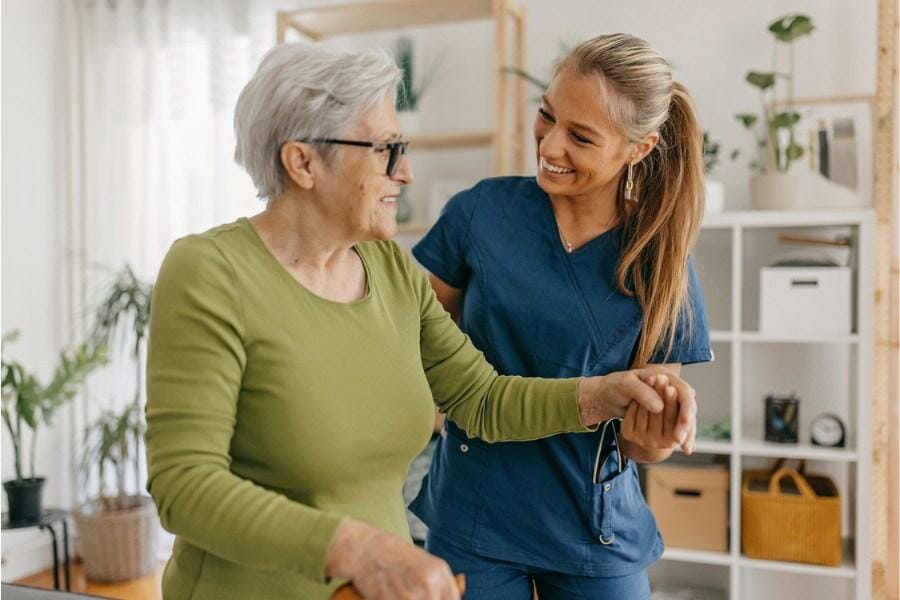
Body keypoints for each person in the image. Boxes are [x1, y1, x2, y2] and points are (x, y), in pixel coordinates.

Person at [144, 42, 697, 600]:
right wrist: (358, 549)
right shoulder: (209, 273)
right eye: (386, 149)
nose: (406, 173)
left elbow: (481, 399)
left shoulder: (387, 270)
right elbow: (184, 487)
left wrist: (606, 396)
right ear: (303, 161)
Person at [409, 33, 713, 600]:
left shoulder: (661, 261)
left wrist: (661, 431)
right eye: (547, 116)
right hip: (474, 515)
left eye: (580, 136)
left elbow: (646, 446)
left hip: (592, 533)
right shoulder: (480, 213)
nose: (550, 143)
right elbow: (413, 339)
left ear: (638, 148)